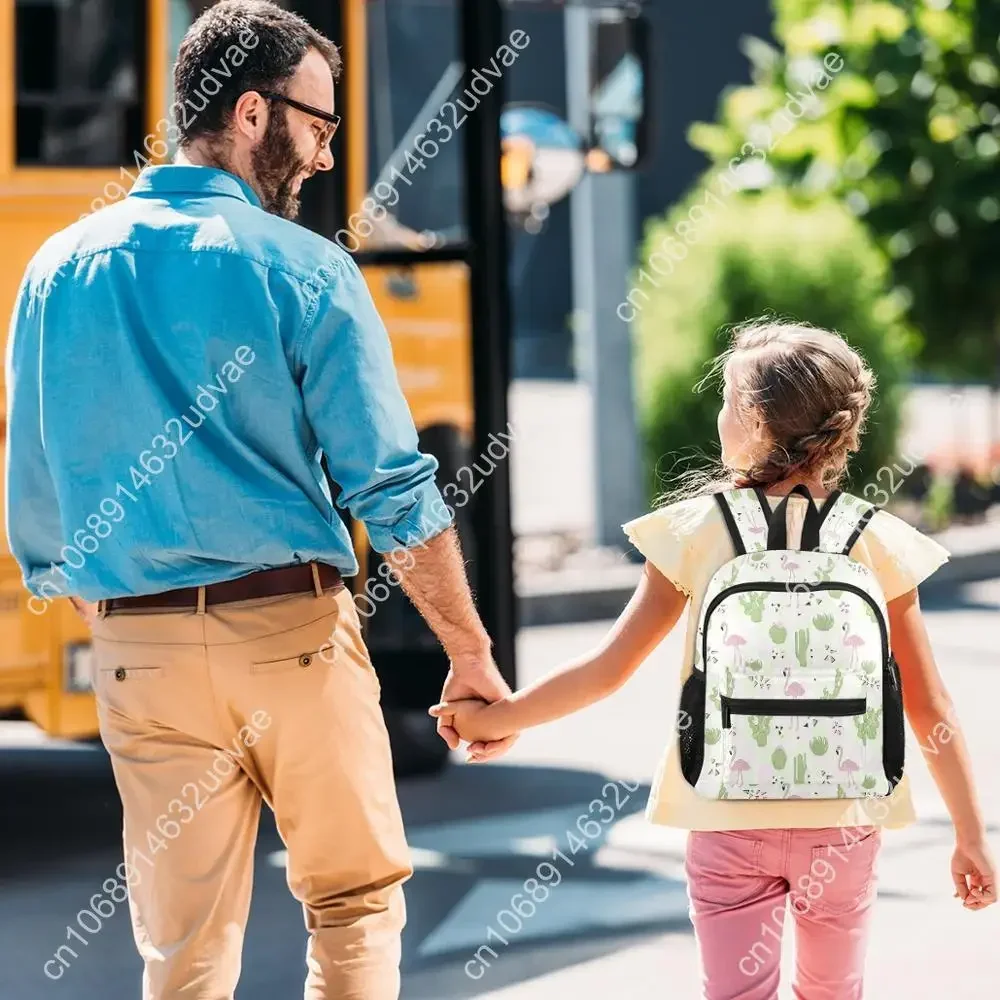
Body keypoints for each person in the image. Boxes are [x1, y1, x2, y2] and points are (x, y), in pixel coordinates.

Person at [5, 2, 513, 997]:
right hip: (288, 633)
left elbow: (35, 492)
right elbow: (391, 486)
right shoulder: (304, 268)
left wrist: (123, 620)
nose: (324, 157)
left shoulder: (55, 269)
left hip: (136, 653)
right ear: (250, 111)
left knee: (182, 949)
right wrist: (468, 651)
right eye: (319, 126)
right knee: (353, 901)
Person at [432, 321, 996, 999]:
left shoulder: (697, 531)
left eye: (729, 401)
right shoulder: (875, 542)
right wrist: (969, 835)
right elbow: (930, 705)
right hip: (844, 821)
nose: (721, 415)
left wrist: (497, 718)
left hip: (726, 811)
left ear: (756, 420)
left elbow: (608, 668)